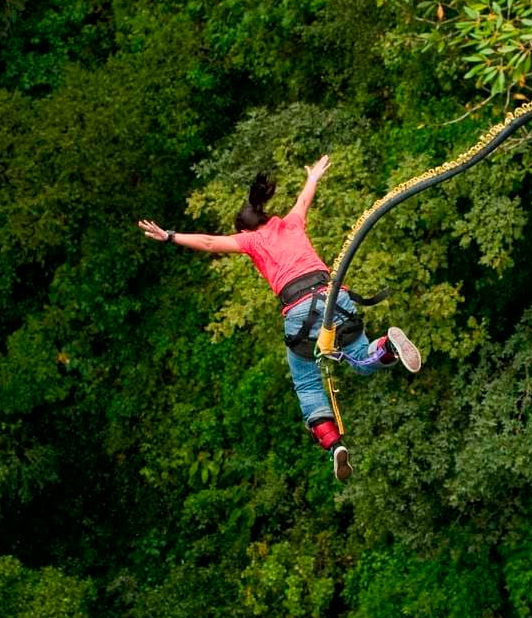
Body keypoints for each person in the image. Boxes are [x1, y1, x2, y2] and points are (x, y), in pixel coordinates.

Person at [137, 155, 421, 482]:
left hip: (299, 312)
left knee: (307, 383)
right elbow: (303, 200)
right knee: (360, 356)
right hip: (334, 297)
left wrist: (169, 235)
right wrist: (313, 176)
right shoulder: (290, 223)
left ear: (244, 229)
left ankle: (335, 446)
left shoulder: (250, 239)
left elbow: (209, 242)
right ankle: (387, 348)